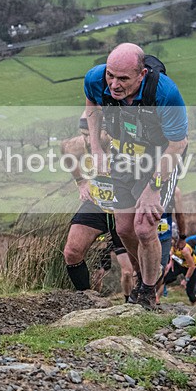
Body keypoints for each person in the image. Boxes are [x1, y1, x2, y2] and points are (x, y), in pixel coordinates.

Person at [83, 43, 188, 309]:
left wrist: (154, 188)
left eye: (123, 79)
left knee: (144, 227)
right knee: (124, 229)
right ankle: (144, 274)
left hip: (160, 157)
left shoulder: (165, 93)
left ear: (141, 74)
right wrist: (96, 148)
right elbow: (92, 104)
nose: (114, 85)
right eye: (111, 75)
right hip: (124, 154)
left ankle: (148, 294)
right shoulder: (96, 78)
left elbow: (178, 144)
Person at [62, 117, 134, 301]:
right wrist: (80, 181)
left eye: (90, 134)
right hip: (97, 204)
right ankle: (87, 299)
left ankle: (135, 304)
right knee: (72, 252)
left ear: (107, 130)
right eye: (83, 135)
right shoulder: (82, 144)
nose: (86, 140)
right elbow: (65, 149)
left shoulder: (124, 146)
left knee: (130, 269)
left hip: (124, 207)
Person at [163, 235, 196, 304]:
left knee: (190, 292)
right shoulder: (172, 246)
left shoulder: (184, 250)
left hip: (192, 267)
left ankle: (195, 302)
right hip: (180, 264)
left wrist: (186, 279)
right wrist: (170, 263)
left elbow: (192, 266)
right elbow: (172, 254)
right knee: (165, 277)